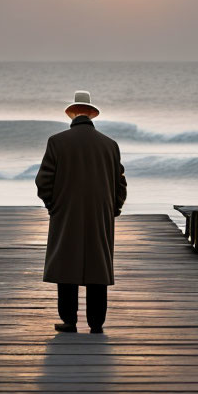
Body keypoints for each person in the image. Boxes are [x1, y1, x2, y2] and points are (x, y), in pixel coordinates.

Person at [35, 90, 127, 334]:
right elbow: (120, 184)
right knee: (98, 264)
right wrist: (114, 208)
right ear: (92, 115)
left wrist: (53, 205)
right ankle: (96, 323)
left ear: (72, 114)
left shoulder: (57, 141)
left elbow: (43, 181)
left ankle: (69, 321)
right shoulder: (110, 145)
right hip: (100, 213)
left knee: (67, 264)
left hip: (66, 213)